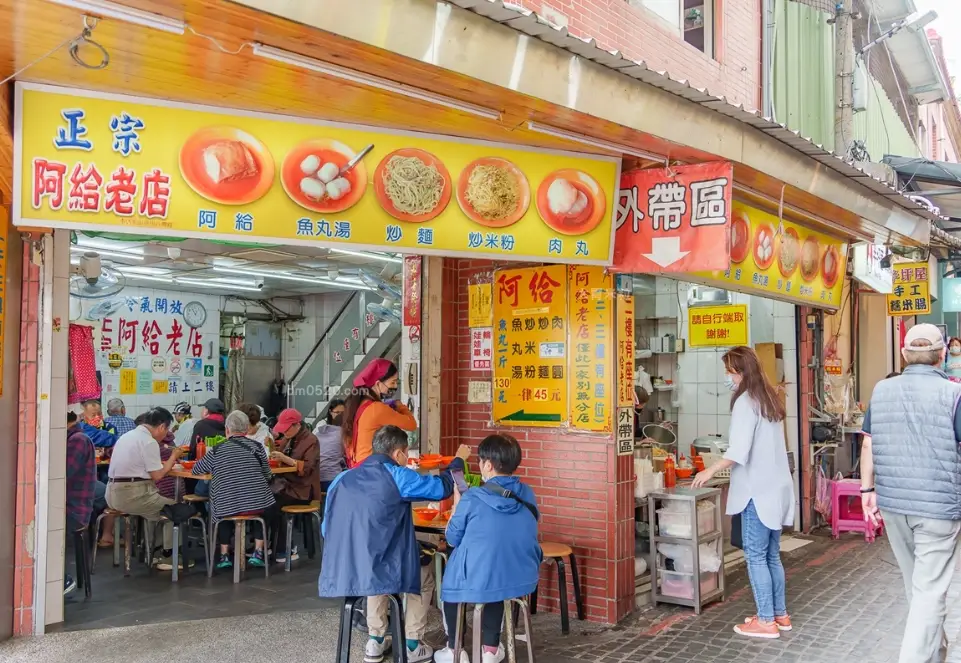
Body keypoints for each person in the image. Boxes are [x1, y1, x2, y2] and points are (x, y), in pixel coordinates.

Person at [320, 425, 466, 663]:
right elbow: (443, 488)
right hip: (382, 564)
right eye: (406, 453)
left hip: (345, 567)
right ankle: (412, 644)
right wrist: (458, 461)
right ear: (398, 453)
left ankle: (375, 641)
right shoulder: (397, 476)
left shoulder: (341, 478)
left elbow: (326, 528)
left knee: (373, 571)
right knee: (423, 575)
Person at [860, 323, 961, 663]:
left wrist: (867, 489)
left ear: (904, 354)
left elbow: (868, 443)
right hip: (939, 508)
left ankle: (936, 652)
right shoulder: (953, 394)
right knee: (928, 590)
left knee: (917, 586)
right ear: (941, 355)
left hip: (893, 505)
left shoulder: (881, 390)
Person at [692, 346, 794, 639]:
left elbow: (738, 451)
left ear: (740, 372)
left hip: (756, 491)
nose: (727, 377)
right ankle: (779, 615)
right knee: (771, 556)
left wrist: (709, 471)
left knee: (756, 557)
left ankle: (765, 621)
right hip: (776, 487)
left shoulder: (746, 402)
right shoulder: (769, 399)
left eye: (729, 371)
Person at [434, 434, 541, 663]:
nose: (480, 465)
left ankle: (455, 649)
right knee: (495, 573)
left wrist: (457, 506)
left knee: (458, 572)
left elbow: (452, 538)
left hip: (481, 578)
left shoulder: (473, 497)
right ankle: (490, 650)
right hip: (522, 574)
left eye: (481, 461)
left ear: (489, 465)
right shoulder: (527, 493)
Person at [192, 410, 277, 570]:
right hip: (256, 505)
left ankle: (224, 554)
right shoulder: (257, 447)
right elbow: (267, 474)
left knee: (222, 507)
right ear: (246, 429)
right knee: (269, 507)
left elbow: (196, 469)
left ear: (227, 430)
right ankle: (258, 551)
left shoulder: (217, 449)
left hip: (225, 506)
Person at [105, 407, 183, 571]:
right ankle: (168, 556)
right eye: (167, 429)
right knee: (174, 510)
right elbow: (158, 475)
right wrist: (173, 457)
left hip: (112, 493)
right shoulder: (148, 442)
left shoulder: (127, 436)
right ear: (161, 426)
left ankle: (154, 551)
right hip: (132, 495)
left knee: (159, 508)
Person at [342, 359, 416, 467]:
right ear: (377, 384)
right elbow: (411, 424)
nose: (395, 386)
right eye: (393, 382)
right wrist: (400, 406)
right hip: (371, 468)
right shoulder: (377, 408)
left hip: (358, 466)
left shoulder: (360, 404)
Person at [269, 408, 321, 563]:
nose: (284, 432)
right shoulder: (287, 439)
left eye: (286, 428)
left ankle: (286, 549)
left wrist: (286, 459)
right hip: (286, 485)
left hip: (303, 489)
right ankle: (269, 544)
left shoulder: (311, 441)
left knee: (274, 503)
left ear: (297, 425)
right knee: (264, 499)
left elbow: (307, 468)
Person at [65, 410, 99, 595]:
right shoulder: (74, 438)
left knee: (41, 530)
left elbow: (63, 472)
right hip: (69, 506)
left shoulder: (77, 440)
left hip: (74, 510)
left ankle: (60, 579)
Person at [190, 398, 227, 498]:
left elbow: (193, 449)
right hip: (223, 471)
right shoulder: (227, 425)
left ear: (206, 411)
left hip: (203, 469)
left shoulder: (200, 425)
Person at [316, 398, 346, 493]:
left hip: (317, 478)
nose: (340, 415)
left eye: (343, 413)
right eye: (337, 412)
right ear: (330, 412)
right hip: (331, 479)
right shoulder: (321, 426)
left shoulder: (321, 430)